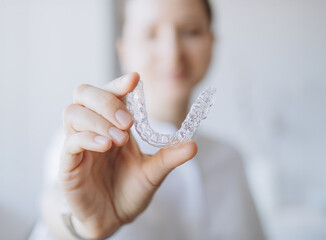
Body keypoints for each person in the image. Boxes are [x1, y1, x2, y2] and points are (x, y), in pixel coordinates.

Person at [28, 0, 265, 239]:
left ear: (211, 42)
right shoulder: (87, 145)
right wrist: (81, 225)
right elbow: (52, 203)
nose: (172, 53)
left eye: (190, 31)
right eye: (150, 34)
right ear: (123, 50)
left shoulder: (231, 161)